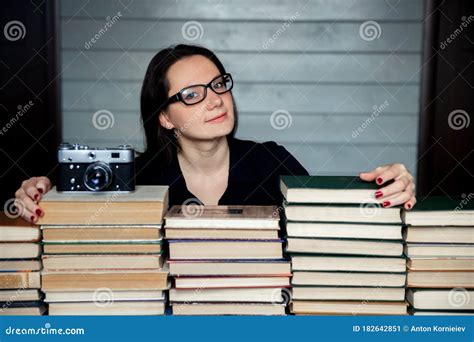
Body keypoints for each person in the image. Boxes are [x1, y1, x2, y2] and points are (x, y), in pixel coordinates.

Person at [14, 44, 416, 223]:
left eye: (219, 84)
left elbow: (327, 215)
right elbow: (57, 206)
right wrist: (37, 193)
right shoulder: (133, 177)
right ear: (165, 118)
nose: (215, 100)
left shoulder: (269, 159)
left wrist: (387, 190)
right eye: (192, 95)